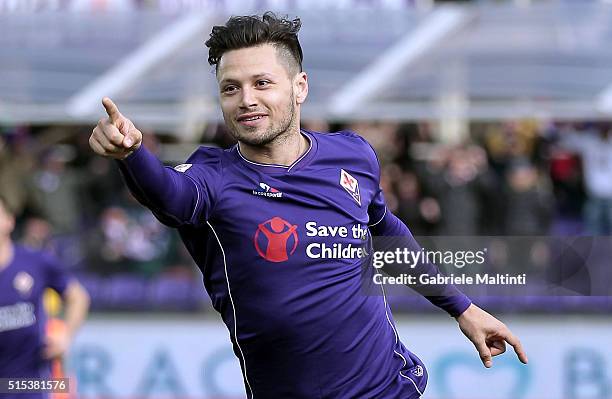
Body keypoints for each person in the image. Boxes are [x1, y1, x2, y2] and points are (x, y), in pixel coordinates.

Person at [89, 12, 527, 398]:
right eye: (230, 88)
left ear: (300, 87)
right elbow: (169, 195)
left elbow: (387, 232)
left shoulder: (353, 156)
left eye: (262, 83)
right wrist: (132, 154)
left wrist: (462, 308)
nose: (247, 99)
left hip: (388, 390)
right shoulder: (211, 177)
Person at [0, 193, 90, 397]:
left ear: (9, 221)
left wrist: (66, 335)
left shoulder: (35, 262)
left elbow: (78, 297)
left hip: (27, 383)